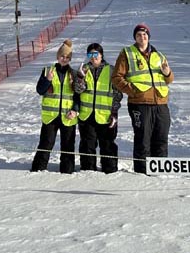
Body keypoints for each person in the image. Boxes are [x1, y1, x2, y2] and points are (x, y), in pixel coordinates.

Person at [111, 24, 174, 174]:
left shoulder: (159, 55)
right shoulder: (127, 53)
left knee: (161, 138)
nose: (142, 37)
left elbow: (169, 79)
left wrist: (167, 73)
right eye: (139, 35)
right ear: (135, 37)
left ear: (148, 37)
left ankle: (160, 172)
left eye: (144, 35)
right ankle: (142, 173)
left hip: (161, 102)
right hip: (140, 104)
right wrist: (132, 91)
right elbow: (116, 77)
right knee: (143, 139)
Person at [30, 39, 80, 173]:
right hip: (51, 116)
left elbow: (78, 96)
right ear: (58, 57)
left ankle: (67, 171)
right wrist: (48, 80)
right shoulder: (48, 71)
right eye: (62, 56)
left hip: (68, 116)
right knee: (46, 143)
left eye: (67, 57)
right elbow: (40, 90)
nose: (64, 59)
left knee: (68, 145)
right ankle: (38, 169)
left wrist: (75, 110)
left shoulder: (74, 74)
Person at [73, 42, 123, 173]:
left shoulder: (111, 70)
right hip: (87, 115)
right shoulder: (84, 70)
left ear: (101, 55)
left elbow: (117, 95)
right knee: (87, 144)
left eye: (96, 54)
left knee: (108, 145)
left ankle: (110, 170)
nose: (93, 57)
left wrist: (114, 113)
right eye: (90, 54)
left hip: (106, 116)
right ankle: (88, 170)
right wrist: (80, 77)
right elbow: (78, 91)